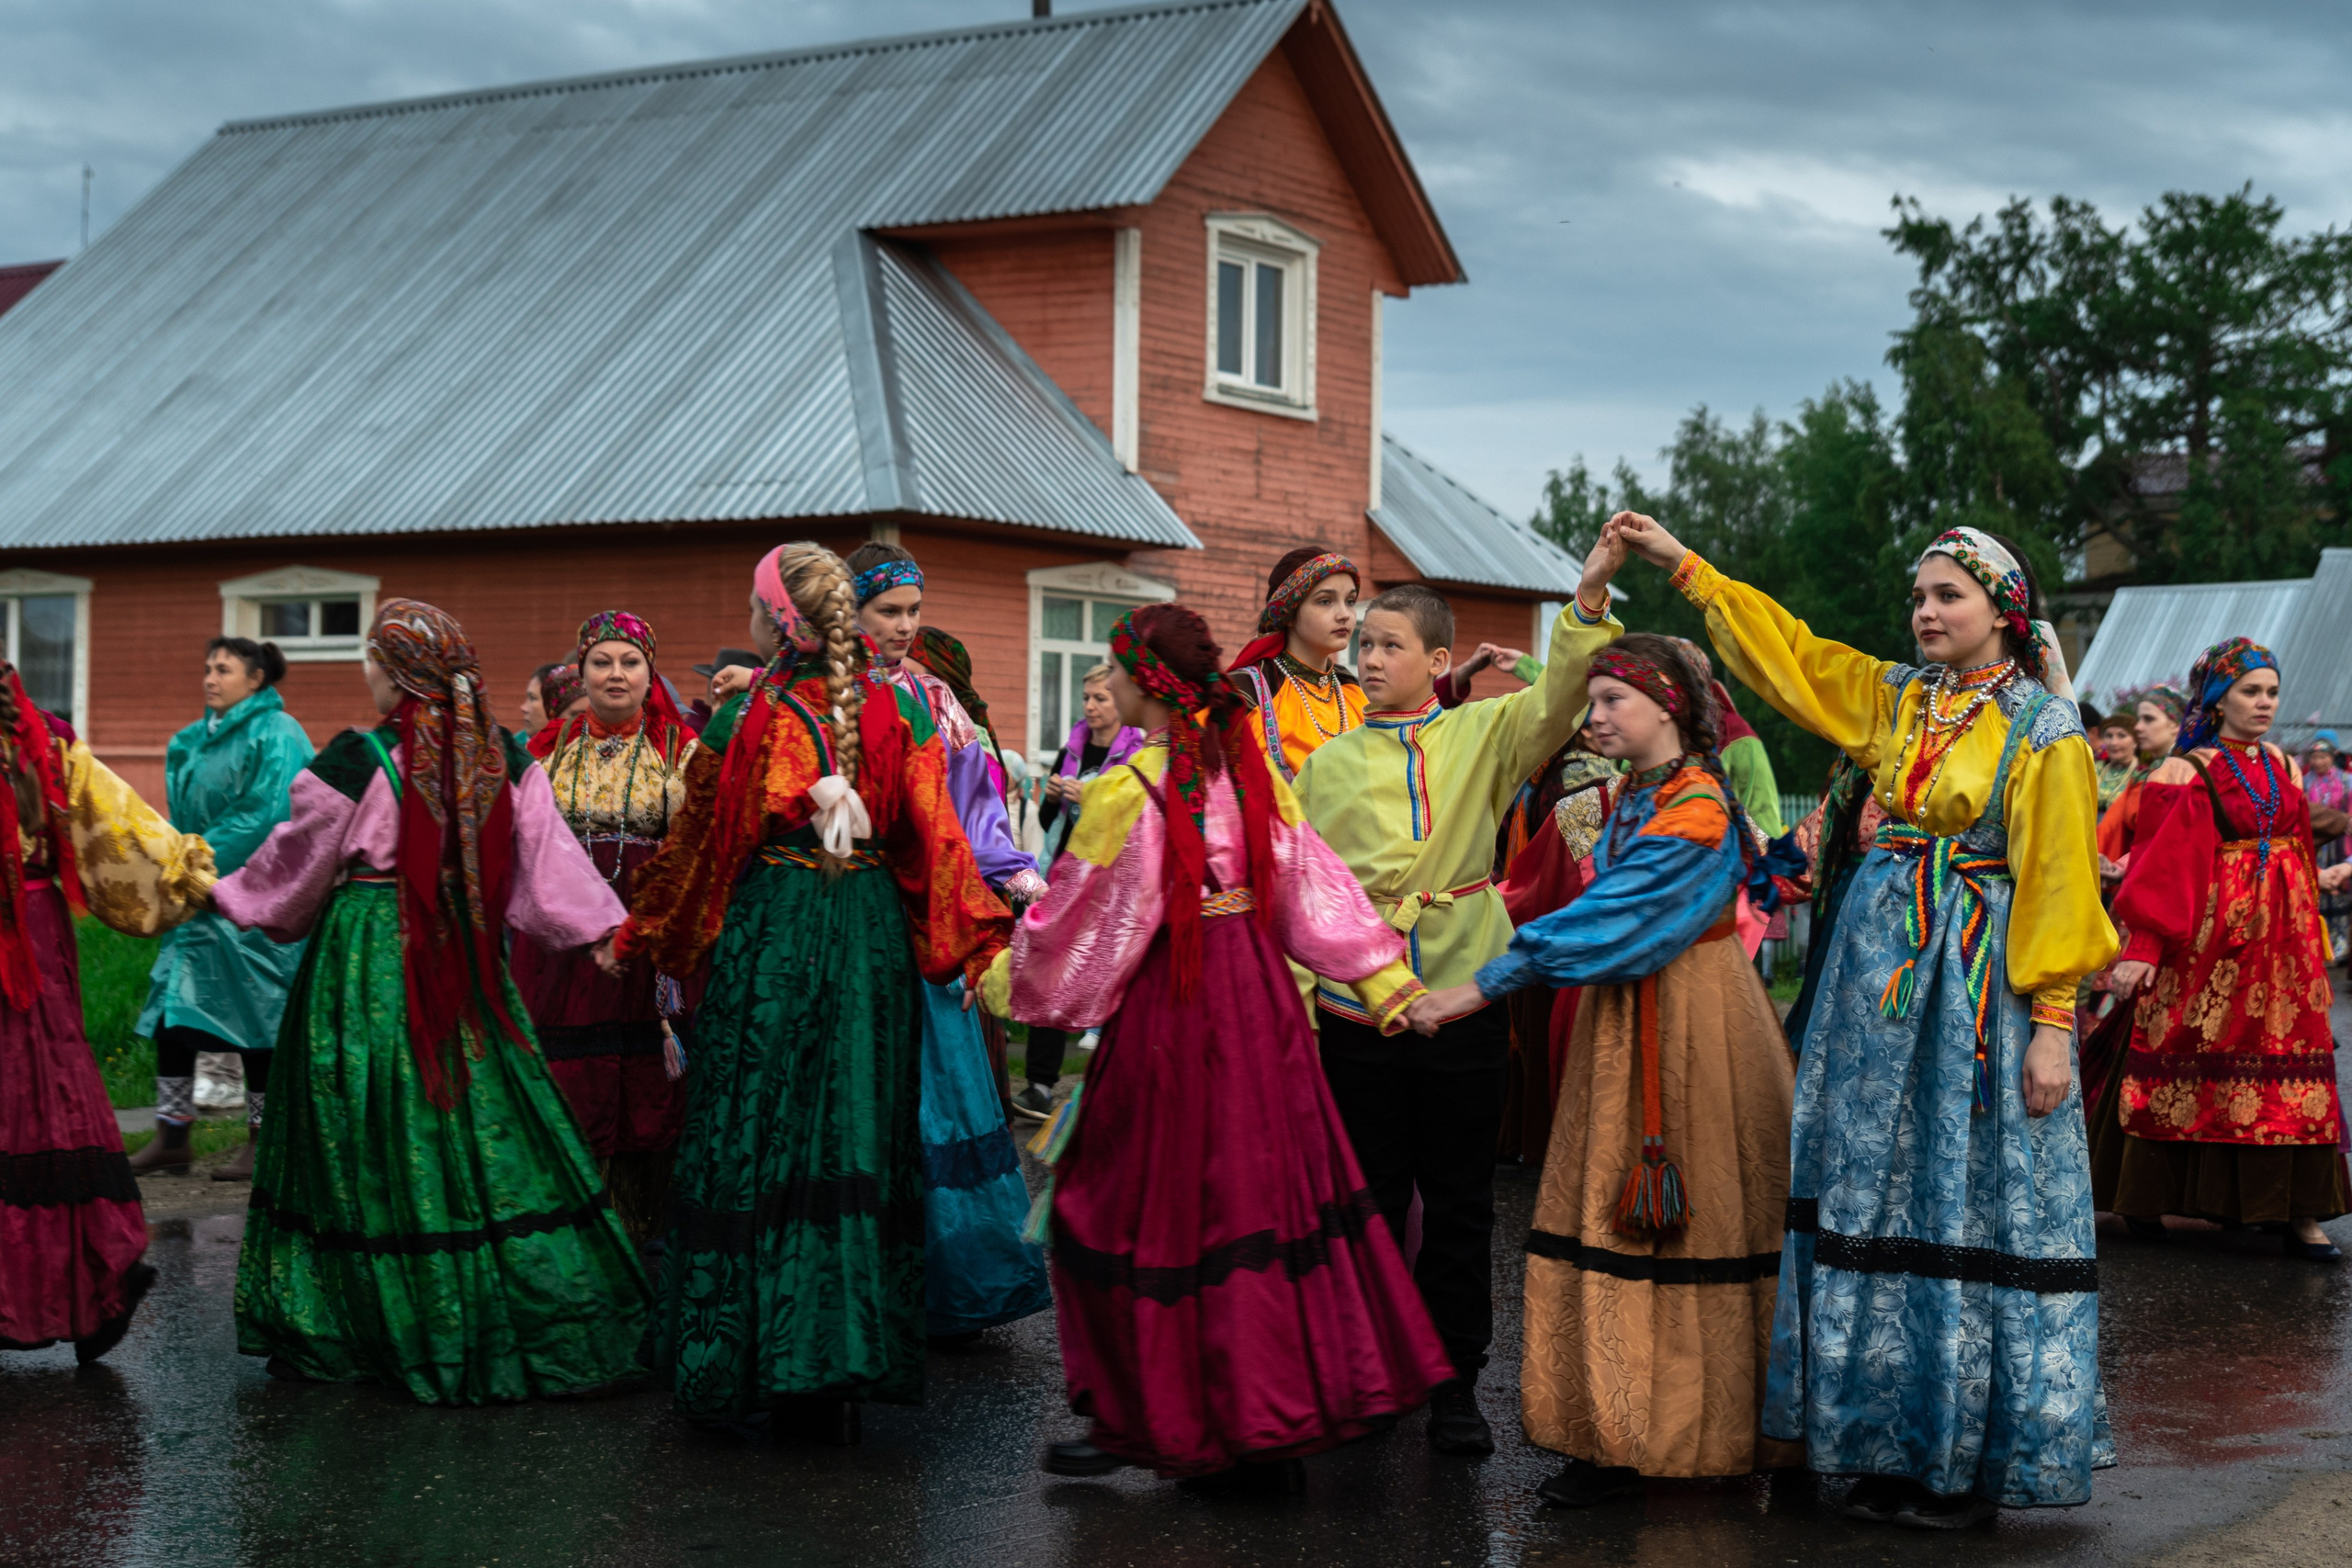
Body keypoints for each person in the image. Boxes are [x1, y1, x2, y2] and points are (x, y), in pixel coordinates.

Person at [1611, 511, 2117, 1528]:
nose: (1924, 613)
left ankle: (1963, 1462)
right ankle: (1879, 1441)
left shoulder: (2043, 730)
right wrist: (1685, 569)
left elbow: (2060, 875)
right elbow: (1788, 655)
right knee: (1873, 1193)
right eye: (1918, 597)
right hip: (1875, 980)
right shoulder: (1895, 697)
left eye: (1947, 596)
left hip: (1979, 991)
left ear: (2003, 615)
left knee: (1964, 1199)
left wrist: (2055, 1025)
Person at [982, 603, 1450, 1484]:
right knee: (1257, 1204)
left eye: (1116, 666)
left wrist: (1008, 980)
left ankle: (1143, 1415)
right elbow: (1315, 888)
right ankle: (1263, 1421)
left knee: (1118, 1202)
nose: (1107, 681)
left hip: (1175, 1007)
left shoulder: (1134, 786)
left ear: (1145, 682)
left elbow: (1089, 927)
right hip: (1260, 1010)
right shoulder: (1248, 765)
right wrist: (1390, 986)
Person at [606, 543, 1010, 1435]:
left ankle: (751, 1355)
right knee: (850, 1127)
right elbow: (935, 842)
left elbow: (704, 842)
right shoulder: (898, 705)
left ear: (773, 620)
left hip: (781, 932)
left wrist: (650, 933)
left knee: (760, 1124)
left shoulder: (753, 712)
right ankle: (838, 1356)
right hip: (866, 936)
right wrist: (968, 950)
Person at [213, 599, 647, 1404]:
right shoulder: (506, 758)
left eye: (375, 662)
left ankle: (356, 1319)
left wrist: (222, 894)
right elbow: (549, 869)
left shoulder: (357, 757)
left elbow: (295, 869)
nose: (369, 676)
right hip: (465, 954)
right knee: (479, 1117)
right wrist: (602, 933)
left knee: (362, 1123)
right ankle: (515, 1303)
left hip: (367, 960)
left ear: (398, 672)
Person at [1407, 633, 1798, 1507]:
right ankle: (1616, 1431)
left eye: (1612, 701)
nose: (1594, 719)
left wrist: (1476, 988)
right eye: (1591, 703)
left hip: (1695, 1027)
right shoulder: (1627, 795)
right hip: (1627, 1026)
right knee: (1609, 1218)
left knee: (1694, 1223)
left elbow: (1611, 916)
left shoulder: (1696, 809)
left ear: (1668, 706)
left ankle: (1695, 1439)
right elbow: (1547, 891)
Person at [1290, 542, 1624, 1456]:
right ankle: (1365, 1376)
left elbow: (1563, 690)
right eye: (1362, 644)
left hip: (1464, 1002)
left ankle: (1453, 1383)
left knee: (1460, 1203)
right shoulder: (1323, 766)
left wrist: (1586, 598)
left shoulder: (1487, 733)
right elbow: (1300, 887)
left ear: (1439, 663)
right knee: (1365, 1201)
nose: (1368, 659)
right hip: (1356, 1010)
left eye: (1389, 645)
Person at [839, 542, 1050, 1344]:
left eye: (911, 612)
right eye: (886, 611)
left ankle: (943, 1282)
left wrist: (1030, 899)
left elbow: (978, 824)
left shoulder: (937, 703)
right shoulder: (815, 696)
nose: (902, 626)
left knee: (933, 1098)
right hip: (843, 925)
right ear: (848, 612)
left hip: (929, 924)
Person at [2094, 639, 2352, 1259]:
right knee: (2189, 1045)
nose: (2265, 703)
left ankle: (2296, 1211)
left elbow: (2293, 844)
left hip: (2283, 946)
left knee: (2291, 1060)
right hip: (2211, 942)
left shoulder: (2285, 765)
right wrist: (2146, 946)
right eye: (2250, 691)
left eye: (2271, 691)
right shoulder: (2184, 770)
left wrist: (2316, 891)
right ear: (2217, 698)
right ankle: (2145, 1197)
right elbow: (2164, 865)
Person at [0, 667, 216, 1362]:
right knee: (55, 1090)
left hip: (22, 939)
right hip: (36, 926)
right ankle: (94, 1283)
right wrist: (189, 873)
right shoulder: (49, 743)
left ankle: (58, 1289)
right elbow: (126, 832)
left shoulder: (45, 744)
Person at [510, 611, 698, 1246]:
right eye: (602, 662)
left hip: (649, 937)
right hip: (563, 945)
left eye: (629, 662)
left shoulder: (681, 750)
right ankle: (569, 1214)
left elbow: (694, 849)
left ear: (650, 674)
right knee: (569, 1071)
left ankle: (646, 1220)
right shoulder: (544, 752)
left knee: (648, 1074)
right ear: (582, 672)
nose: (615, 674)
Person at [131, 637, 314, 1181]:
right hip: (197, 897)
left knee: (257, 1020)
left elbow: (267, 812)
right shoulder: (190, 741)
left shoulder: (278, 734)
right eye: (207, 667)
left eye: (224, 669)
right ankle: (173, 1135)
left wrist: (196, 863)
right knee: (174, 1018)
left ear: (256, 679)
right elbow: (180, 815)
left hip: (252, 895)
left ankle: (262, 1138)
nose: (211, 678)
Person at [1016, 661, 1145, 1121]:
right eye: (1086, 698)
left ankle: (1111, 1086)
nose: (1090, 707)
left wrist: (1088, 798)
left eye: (1100, 698)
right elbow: (1051, 826)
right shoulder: (1072, 749)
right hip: (1064, 875)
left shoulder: (1138, 750)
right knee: (1050, 970)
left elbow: (1135, 820)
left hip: (1110, 879)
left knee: (1112, 978)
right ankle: (1038, 1085)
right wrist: (1053, 800)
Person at [1226, 546, 1366, 781]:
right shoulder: (1248, 692)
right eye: (1325, 602)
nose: (1344, 614)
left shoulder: (1351, 690)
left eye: (1350, 601)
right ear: (1288, 613)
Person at [2098, 683, 2186, 874]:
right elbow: (2110, 828)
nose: (2137, 727)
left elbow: (2169, 840)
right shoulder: (2147, 774)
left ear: (2177, 725)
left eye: (2149, 719)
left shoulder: (2184, 776)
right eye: (2139, 720)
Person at [2302, 730, 2351, 965]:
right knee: (2317, 891)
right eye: (2314, 757)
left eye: (2323, 757)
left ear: (2333, 757)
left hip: (2341, 844)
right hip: (2317, 844)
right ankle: (2319, 944)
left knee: (2340, 892)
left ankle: (2340, 944)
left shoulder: (2346, 780)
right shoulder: (2304, 782)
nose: (2318, 762)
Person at [2089, 706, 2137, 812]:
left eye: (2121, 736)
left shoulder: (2141, 775)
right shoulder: (2094, 768)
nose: (2113, 742)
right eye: (2109, 736)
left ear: (2135, 741)